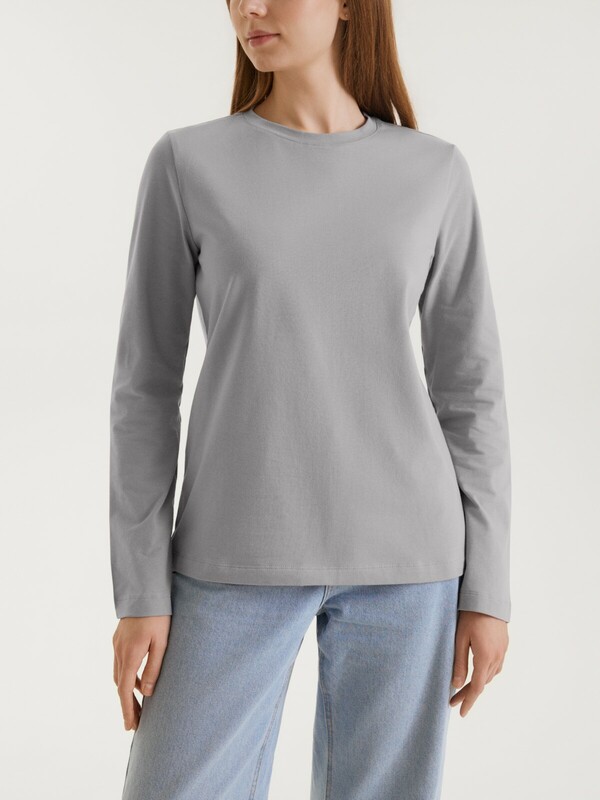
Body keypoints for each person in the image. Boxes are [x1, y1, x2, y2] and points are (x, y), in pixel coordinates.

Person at [110, 1, 512, 798]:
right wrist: (140, 589)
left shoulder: (434, 173)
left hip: (410, 560)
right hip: (231, 552)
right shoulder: (188, 164)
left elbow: (472, 392)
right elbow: (144, 391)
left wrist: (489, 588)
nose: (249, 7)